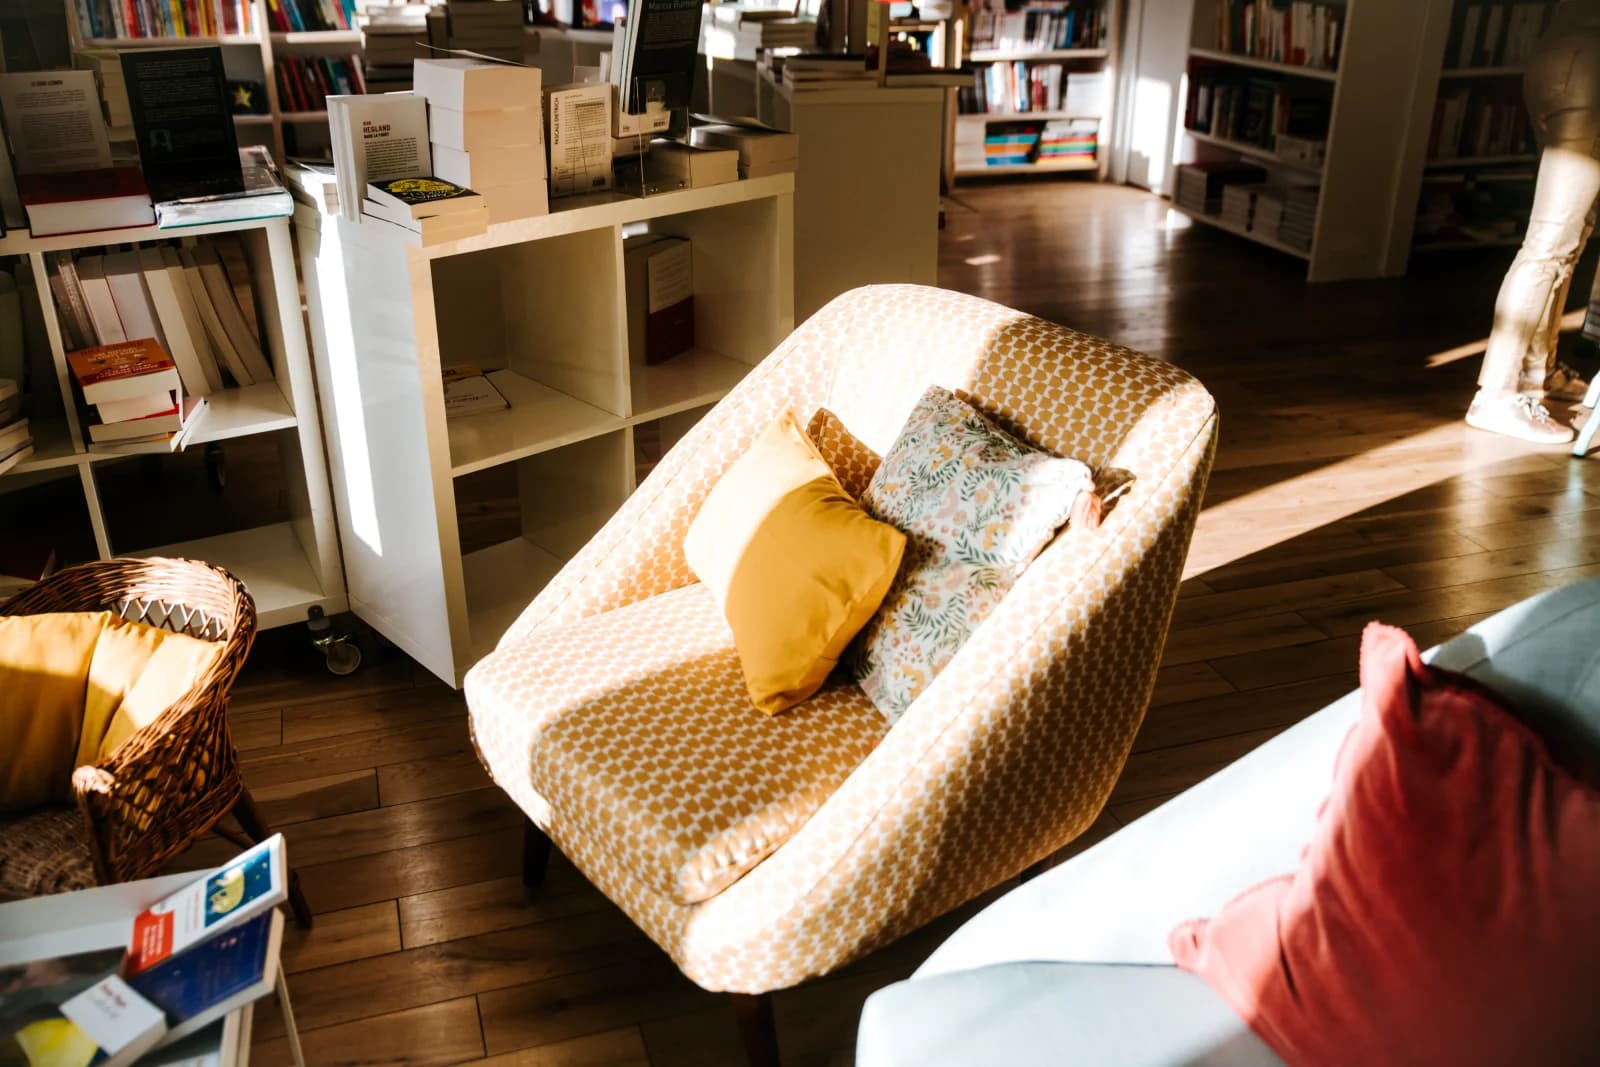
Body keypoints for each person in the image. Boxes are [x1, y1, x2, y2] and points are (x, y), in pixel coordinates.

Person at [1468, 0, 1600, 444]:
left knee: (1568, 239)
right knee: (1550, 243)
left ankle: (1535, 373)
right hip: (1592, 70)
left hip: (1555, 57)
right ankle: (1496, 396)